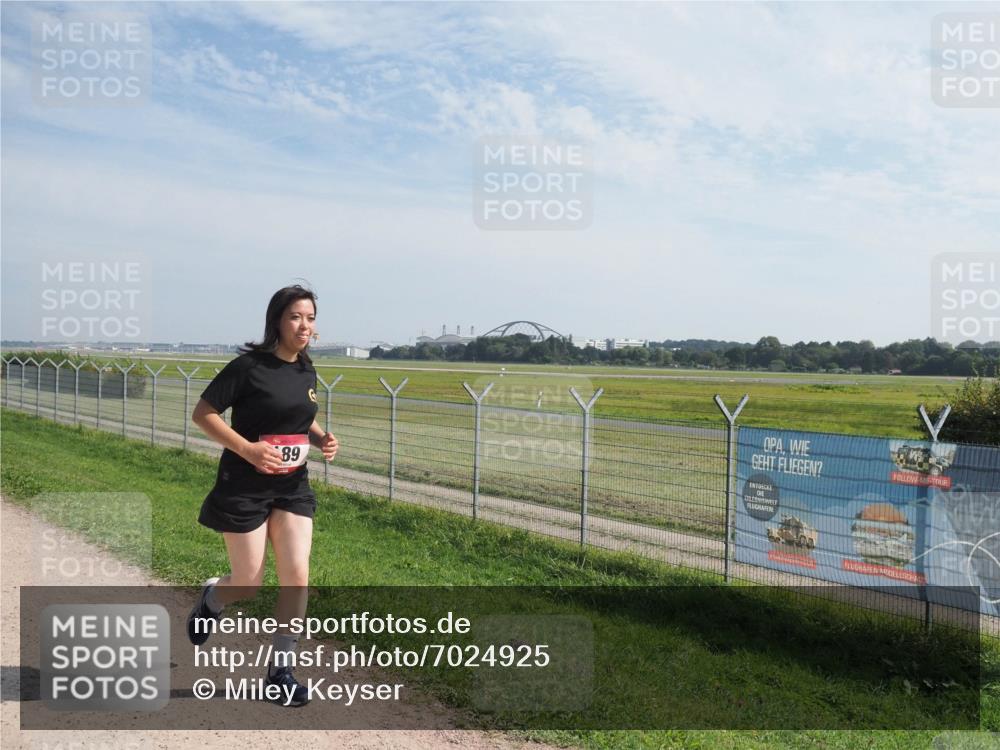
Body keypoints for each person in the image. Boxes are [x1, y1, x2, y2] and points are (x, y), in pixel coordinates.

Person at [186, 284, 338, 707]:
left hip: (292, 485)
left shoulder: (306, 369)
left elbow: (299, 414)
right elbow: (203, 414)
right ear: (276, 321)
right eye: (295, 317)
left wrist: (322, 436)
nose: (304, 325)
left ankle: (280, 671)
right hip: (244, 485)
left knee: (297, 575)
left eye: (310, 317)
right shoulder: (248, 367)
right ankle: (213, 597)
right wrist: (248, 449)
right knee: (248, 584)